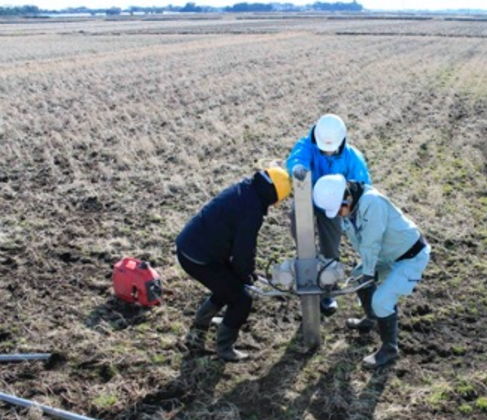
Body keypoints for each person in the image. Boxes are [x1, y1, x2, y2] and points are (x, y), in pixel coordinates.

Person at [312, 174, 430, 369]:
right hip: (389, 255)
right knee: (359, 277)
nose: (339, 214)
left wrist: (369, 271)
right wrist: (365, 272)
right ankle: (372, 318)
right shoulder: (350, 210)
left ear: (347, 197)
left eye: (339, 209)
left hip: (411, 257)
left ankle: (389, 349)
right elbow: (362, 243)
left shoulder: (372, 203)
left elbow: (371, 242)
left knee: (382, 300)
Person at [176, 167, 292, 362]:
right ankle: (224, 348)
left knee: (228, 286)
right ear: (272, 196)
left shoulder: (245, 188)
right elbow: (243, 249)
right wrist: (246, 275)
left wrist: (243, 272)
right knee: (241, 299)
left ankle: (200, 325)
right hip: (200, 258)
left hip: (191, 245)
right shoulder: (252, 210)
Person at [286, 114, 371, 314]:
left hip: (333, 204)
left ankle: (328, 290)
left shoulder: (352, 157)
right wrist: (298, 168)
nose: (326, 151)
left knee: (331, 245)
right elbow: (297, 157)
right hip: (307, 195)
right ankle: (307, 268)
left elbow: (362, 185)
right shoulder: (307, 145)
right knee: (298, 224)